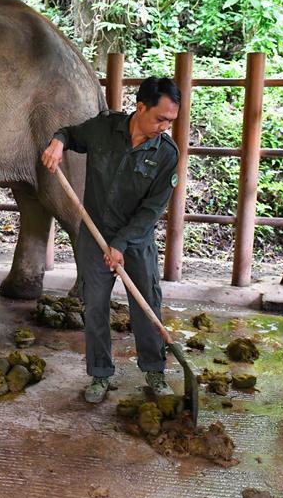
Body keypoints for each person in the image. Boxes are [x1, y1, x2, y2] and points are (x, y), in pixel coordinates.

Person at [41, 77, 180, 403]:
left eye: (171, 121)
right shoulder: (104, 129)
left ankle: (154, 370)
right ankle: (100, 375)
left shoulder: (166, 155)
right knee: (95, 308)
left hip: (135, 241)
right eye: (160, 118)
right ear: (140, 107)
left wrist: (121, 244)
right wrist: (58, 142)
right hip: (95, 235)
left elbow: (151, 211)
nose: (164, 126)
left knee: (147, 307)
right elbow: (71, 134)